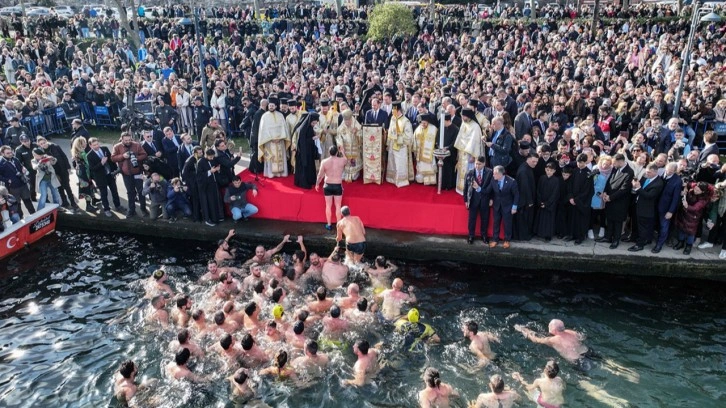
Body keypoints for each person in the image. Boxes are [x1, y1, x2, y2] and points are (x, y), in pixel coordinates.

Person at [596, 153, 634, 249]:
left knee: (617, 222)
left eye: (614, 163)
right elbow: (609, 182)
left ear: (620, 161)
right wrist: (605, 192)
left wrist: (610, 197)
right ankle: (608, 237)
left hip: (620, 202)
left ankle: (616, 240)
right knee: (609, 219)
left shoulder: (629, 172)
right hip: (610, 199)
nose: (613, 165)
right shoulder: (615, 169)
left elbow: (624, 189)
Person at [514, 319, 590, 364]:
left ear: (554, 330)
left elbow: (536, 340)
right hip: (586, 351)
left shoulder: (553, 340)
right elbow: (582, 337)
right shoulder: (572, 332)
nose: (548, 326)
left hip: (576, 361)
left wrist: (525, 331)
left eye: (549, 326)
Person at [628, 163, 665, 252]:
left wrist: (637, 188)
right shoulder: (645, 177)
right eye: (646, 172)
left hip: (647, 209)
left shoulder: (658, 183)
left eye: (649, 173)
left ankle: (640, 245)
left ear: (655, 172)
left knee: (643, 228)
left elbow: (649, 196)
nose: (647, 174)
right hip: (638, 205)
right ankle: (635, 238)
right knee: (637, 224)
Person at [111, 132, 149, 218]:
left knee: (141, 192)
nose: (128, 141)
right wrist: (122, 156)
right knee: (130, 192)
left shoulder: (136, 145)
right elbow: (112, 158)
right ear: (122, 139)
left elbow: (144, 155)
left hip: (137, 172)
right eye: (126, 140)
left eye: (129, 140)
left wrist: (136, 158)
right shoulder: (117, 147)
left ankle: (143, 209)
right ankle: (131, 210)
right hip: (126, 174)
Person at [86, 138, 123, 217]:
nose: (97, 146)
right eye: (94, 145)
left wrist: (115, 170)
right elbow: (92, 168)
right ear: (90, 146)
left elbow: (111, 160)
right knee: (104, 194)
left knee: (114, 191)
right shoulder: (89, 155)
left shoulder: (104, 149)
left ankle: (118, 206)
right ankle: (106, 209)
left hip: (110, 174)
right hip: (100, 178)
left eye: (97, 144)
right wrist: (101, 163)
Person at [37, 136, 77, 211]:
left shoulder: (55, 146)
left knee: (67, 186)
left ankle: (73, 202)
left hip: (62, 169)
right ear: (39, 145)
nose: (43, 144)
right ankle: (65, 202)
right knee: (59, 187)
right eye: (41, 144)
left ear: (46, 141)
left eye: (44, 142)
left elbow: (64, 156)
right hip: (54, 172)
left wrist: (68, 167)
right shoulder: (42, 152)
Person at [258, 95, 291, 178]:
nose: (271, 107)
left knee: (280, 157)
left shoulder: (280, 115)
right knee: (271, 158)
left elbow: (284, 128)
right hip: (269, 141)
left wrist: (279, 138)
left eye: (272, 106)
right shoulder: (264, 116)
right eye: (270, 106)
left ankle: (281, 173)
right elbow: (263, 130)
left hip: (280, 140)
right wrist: (271, 138)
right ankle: (271, 174)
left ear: (276, 106)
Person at [316, 145, 347, 230]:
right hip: (337, 185)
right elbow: (346, 160)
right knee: (338, 206)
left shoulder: (324, 162)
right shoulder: (342, 161)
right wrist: (342, 151)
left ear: (329, 152)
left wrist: (317, 184)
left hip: (328, 185)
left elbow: (320, 175)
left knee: (328, 206)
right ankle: (339, 225)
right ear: (337, 152)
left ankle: (329, 224)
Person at [653, 162, 682, 253]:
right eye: (668, 170)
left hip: (666, 208)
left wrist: (670, 211)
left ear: (675, 171)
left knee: (664, 226)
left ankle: (659, 245)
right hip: (654, 205)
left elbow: (675, 198)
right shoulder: (660, 174)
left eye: (671, 171)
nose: (668, 172)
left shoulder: (677, 181)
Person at [455, 108, 485, 194]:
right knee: (461, 170)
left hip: (470, 154)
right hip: (462, 152)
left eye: (464, 116)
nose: (463, 118)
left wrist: (473, 156)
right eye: (462, 116)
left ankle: (468, 189)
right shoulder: (464, 124)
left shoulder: (475, 126)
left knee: (468, 171)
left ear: (468, 116)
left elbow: (475, 142)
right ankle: (460, 189)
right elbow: (460, 138)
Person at [464, 156, 493, 244]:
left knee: (485, 219)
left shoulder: (489, 173)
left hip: (485, 199)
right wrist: (466, 200)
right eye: (476, 163)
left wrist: (491, 198)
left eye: (479, 164)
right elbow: (466, 187)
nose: (477, 166)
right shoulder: (469, 173)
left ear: (484, 164)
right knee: (472, 219)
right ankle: (471, 236)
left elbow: (491, 188)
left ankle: (484, 235)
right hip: (473, 199)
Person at [0, 145, 35, 217]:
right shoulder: (1, 163)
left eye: (11, 152)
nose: (10, 154)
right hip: (13, 187)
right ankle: (21, 218)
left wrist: (23, 169)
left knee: (28, 200)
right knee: (17, 204)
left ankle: (34, 215)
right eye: (8, 153)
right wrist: (7, 180)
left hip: (22, 183)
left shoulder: (15, 159)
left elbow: (20, 166)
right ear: (2, 154)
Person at [386, 101, 414, 187]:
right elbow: (390, 131)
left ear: (398, 111)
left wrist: (398, 137)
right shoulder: (393, 119)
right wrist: (388, 143)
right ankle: (392, 179)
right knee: (392, 163)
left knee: (400, 164)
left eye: (393, 111)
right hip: (392, 146)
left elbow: (409, 137)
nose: (392, 113)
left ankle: (401, 181)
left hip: (401, 147)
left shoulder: (406, 121)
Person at [489, 166, 519, 249]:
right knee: (496, 223)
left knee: (507, 223)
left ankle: (507, 240)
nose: (493, 175)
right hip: (497, 205)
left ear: (500, 174)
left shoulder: (511, 182)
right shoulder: (493, 180)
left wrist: (514, 207)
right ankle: (495, 239)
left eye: (495, 173)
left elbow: (516, 195)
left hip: (507, 206)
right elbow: (491, 191)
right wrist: (491, 199)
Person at [568, 154, 594, 244]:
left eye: (581, 163)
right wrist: (571, 197)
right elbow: (570, 185)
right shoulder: (574, 171)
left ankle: (581, 236)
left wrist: (577, 199)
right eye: (578, 162)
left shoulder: (589, 173)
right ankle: (572, 234)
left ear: (586, 162)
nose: (579, 164)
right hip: (573, 200)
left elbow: (587, 190)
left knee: (581, 220)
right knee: (572, 219)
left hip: (582, 202)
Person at [195, 148, 224, 226]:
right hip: (205, 186)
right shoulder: (200, 162)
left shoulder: (212, 160)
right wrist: (210, 172)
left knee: (214, 202)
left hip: (212, 184)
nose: (212, 159)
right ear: (206, 155)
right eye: (210, 157)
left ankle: (215, 218)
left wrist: (217, 169)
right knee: (207, 203)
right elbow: (199, 176)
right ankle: (207, 219)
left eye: (213, 157)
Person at [514, 153, 538, 241]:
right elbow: (525, 187)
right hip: (525, 201)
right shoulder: (524, 171)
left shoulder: (526, 167)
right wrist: (530, 201)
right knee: (524, 219)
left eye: (536, 162)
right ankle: (523, 236)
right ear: (528, 159)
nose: (535, 163)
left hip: (525, 200)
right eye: (533, 161)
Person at [535, 162, 561, 241]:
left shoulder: (556, 180)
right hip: (541, 202)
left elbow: (555, 194)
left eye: (551, 170)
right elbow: (538, 190)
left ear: (554, 171)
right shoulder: (542, 178)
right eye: (547, 170)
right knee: (541, 218)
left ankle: (548, 235)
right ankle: (540, 233)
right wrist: (540, 201)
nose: (548, 172)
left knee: (549, 220)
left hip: (550, 204)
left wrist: (547, 203)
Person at [293, 112, 319, 189]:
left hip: (309, 151)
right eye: (313, 123)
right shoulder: (303, 129)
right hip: (303, 153)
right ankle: (303, 182)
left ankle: (311, 180)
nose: (314, 124)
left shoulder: (310, 127)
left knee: (310, 165)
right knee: (304, 167)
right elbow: (302, 142)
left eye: (315, 123)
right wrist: (312, 138)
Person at [337, 109, 363, 182]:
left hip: (354, 150)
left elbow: (361, 137)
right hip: (346, 150)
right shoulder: (341, 127)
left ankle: (355, 171)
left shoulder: (357, 125)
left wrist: (357, 132)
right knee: (343, 176)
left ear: (351, 119)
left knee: (354, 177)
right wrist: (340, 145)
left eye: (348, 121)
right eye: (345, 121)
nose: (347, 122)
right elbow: (338, 137)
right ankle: (345, 171)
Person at [413, 113, 439, 185]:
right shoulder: (418, 129)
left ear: (428, 122)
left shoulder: (433, 129)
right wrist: (415, 149)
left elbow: (436, 141)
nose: (423, 124)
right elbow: (414, 139)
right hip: (420, 152)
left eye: (424, 123)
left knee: (429, 167)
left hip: (429, 153)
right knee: (420, 166)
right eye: (422, 123)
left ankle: (430, 181)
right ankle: (420, 180)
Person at [440, 114, 459, 190]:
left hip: (451, 153)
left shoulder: (456, 129)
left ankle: (449, 185)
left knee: (449, 169)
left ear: (448, 121)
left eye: (443, 121)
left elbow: (455, 141)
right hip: (442, 152)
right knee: (443, 169)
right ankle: (442, 184)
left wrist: (448, 148)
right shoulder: (442, 128)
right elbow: (438, 138)